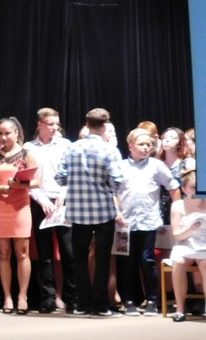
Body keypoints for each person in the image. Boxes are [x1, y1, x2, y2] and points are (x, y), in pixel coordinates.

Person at [56, 108, 124, 317]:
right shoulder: (110, 150)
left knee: (79, 259)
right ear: (104, 126)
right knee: (103, 259)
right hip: (103, 211)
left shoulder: (72, 148)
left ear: (86, 124)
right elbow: (118, 181)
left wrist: (77, 183)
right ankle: (100, 305)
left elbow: (60, 177)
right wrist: (107, 188)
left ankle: (82, 303)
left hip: (78, 212)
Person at [115, 129, 179, 315]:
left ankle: (152, 300)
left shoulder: (156, 166)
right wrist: (117, 211)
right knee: (127, 262)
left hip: (148, 222)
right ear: (130, 146)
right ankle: (129, 301)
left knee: (147, 260)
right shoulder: (120, 166)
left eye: (149, 145)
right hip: (125, 224)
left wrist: (178, 210)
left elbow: (173, 186)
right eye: (141, 144)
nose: (146, 148)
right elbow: (112, 191)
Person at [0, 117, 40, 314]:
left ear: (16, 133)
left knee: (22, 252)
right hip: (0, 206)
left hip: (21, 206)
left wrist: (19, 185)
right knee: (3, 253)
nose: (3, 137)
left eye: (7, 133)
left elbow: (37, 182)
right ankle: (7, 296)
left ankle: (22, 296)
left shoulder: (27, 153)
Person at [28, 107, 75, 313]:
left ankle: (72, 298)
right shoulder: (29, 147)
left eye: (57, 124)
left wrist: (63, 193)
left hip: (62, 201)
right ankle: (48, 298)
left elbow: (71, 173)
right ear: (40, 124)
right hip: (41, 202)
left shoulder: (65, 145)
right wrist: (42, 200)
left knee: (68, 250)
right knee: (44, 252)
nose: (55, 128)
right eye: (50, 124)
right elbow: (28, 178)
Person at [165, 169, 206, 322]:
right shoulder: (177, 206)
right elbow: (177, 235)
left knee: (205, 263)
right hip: (185, 243)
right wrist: (191, 229)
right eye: (193, 187)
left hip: (204, 243)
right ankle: (180, 309)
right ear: (184, 189)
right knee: (179, 262)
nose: (197, 191)